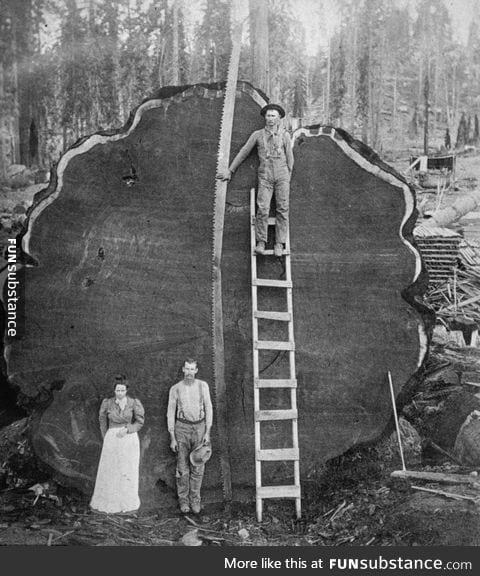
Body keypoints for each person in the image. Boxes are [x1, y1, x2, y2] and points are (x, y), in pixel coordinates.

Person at [217, 103, 294, 258]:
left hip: (282, 176)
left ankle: (279, 243)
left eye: (273, 115)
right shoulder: (257, 135)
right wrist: (230, 170)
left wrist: (287, 179)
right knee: (263, 208)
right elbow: (243, 152)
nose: (270, 119)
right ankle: (261, 242)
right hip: (265, 177)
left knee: (282, 209)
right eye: (268, 115)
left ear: (279, 118)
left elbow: (290, 160)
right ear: (264, 117)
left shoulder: (285, 136)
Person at [90, 374, 145, 514]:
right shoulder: (108, 403)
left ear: (126, 390)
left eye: (122, 390)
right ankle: (110, 503)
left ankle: (126, 503)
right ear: (114, 391)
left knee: (127, 470)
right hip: (112, 438)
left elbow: (140, 422)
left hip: (129, 439)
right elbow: (102, 420)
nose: (120, 393)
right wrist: (107, 436)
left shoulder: (133, 403)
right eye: (117, 390)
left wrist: (128, 429)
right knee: (111, 470)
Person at [167, 358, 213, 514]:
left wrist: (207, 432)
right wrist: (172, 436)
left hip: (199, 428)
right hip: (182, 428)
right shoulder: (176, 388)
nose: (189, 372)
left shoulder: (203, 386)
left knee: (198, 466)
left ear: (196, 371)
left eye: (192, 369)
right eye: (187, 369)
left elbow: (209, 408)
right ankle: (183, 501)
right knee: (182, 468)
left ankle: (195, 499)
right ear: (183, 369)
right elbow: (170, 412)